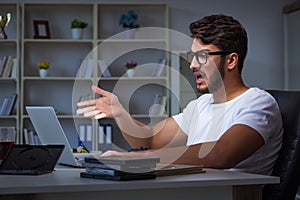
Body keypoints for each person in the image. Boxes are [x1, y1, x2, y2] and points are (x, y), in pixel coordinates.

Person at [76, 14, 283, 175]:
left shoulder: (258, 103)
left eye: (202, 56)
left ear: (231, 61)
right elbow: (151, 139)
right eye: (192, 56)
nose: (192, 65)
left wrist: (138, 159)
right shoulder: (201, 104)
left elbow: (221, 155)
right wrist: (121, 113)